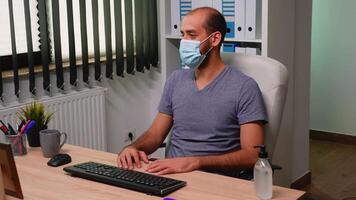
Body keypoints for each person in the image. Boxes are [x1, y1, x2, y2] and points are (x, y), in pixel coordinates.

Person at [117, 7, 267, 178]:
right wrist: (133, 148)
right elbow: (155, 135)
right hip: (170, 175)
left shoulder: (244, 87)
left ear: (215, 39)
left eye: (192, 35)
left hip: (214, 180)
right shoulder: (176, 80)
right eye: (183, 34)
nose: (184, 42)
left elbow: (252, 155)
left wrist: (196, 162)